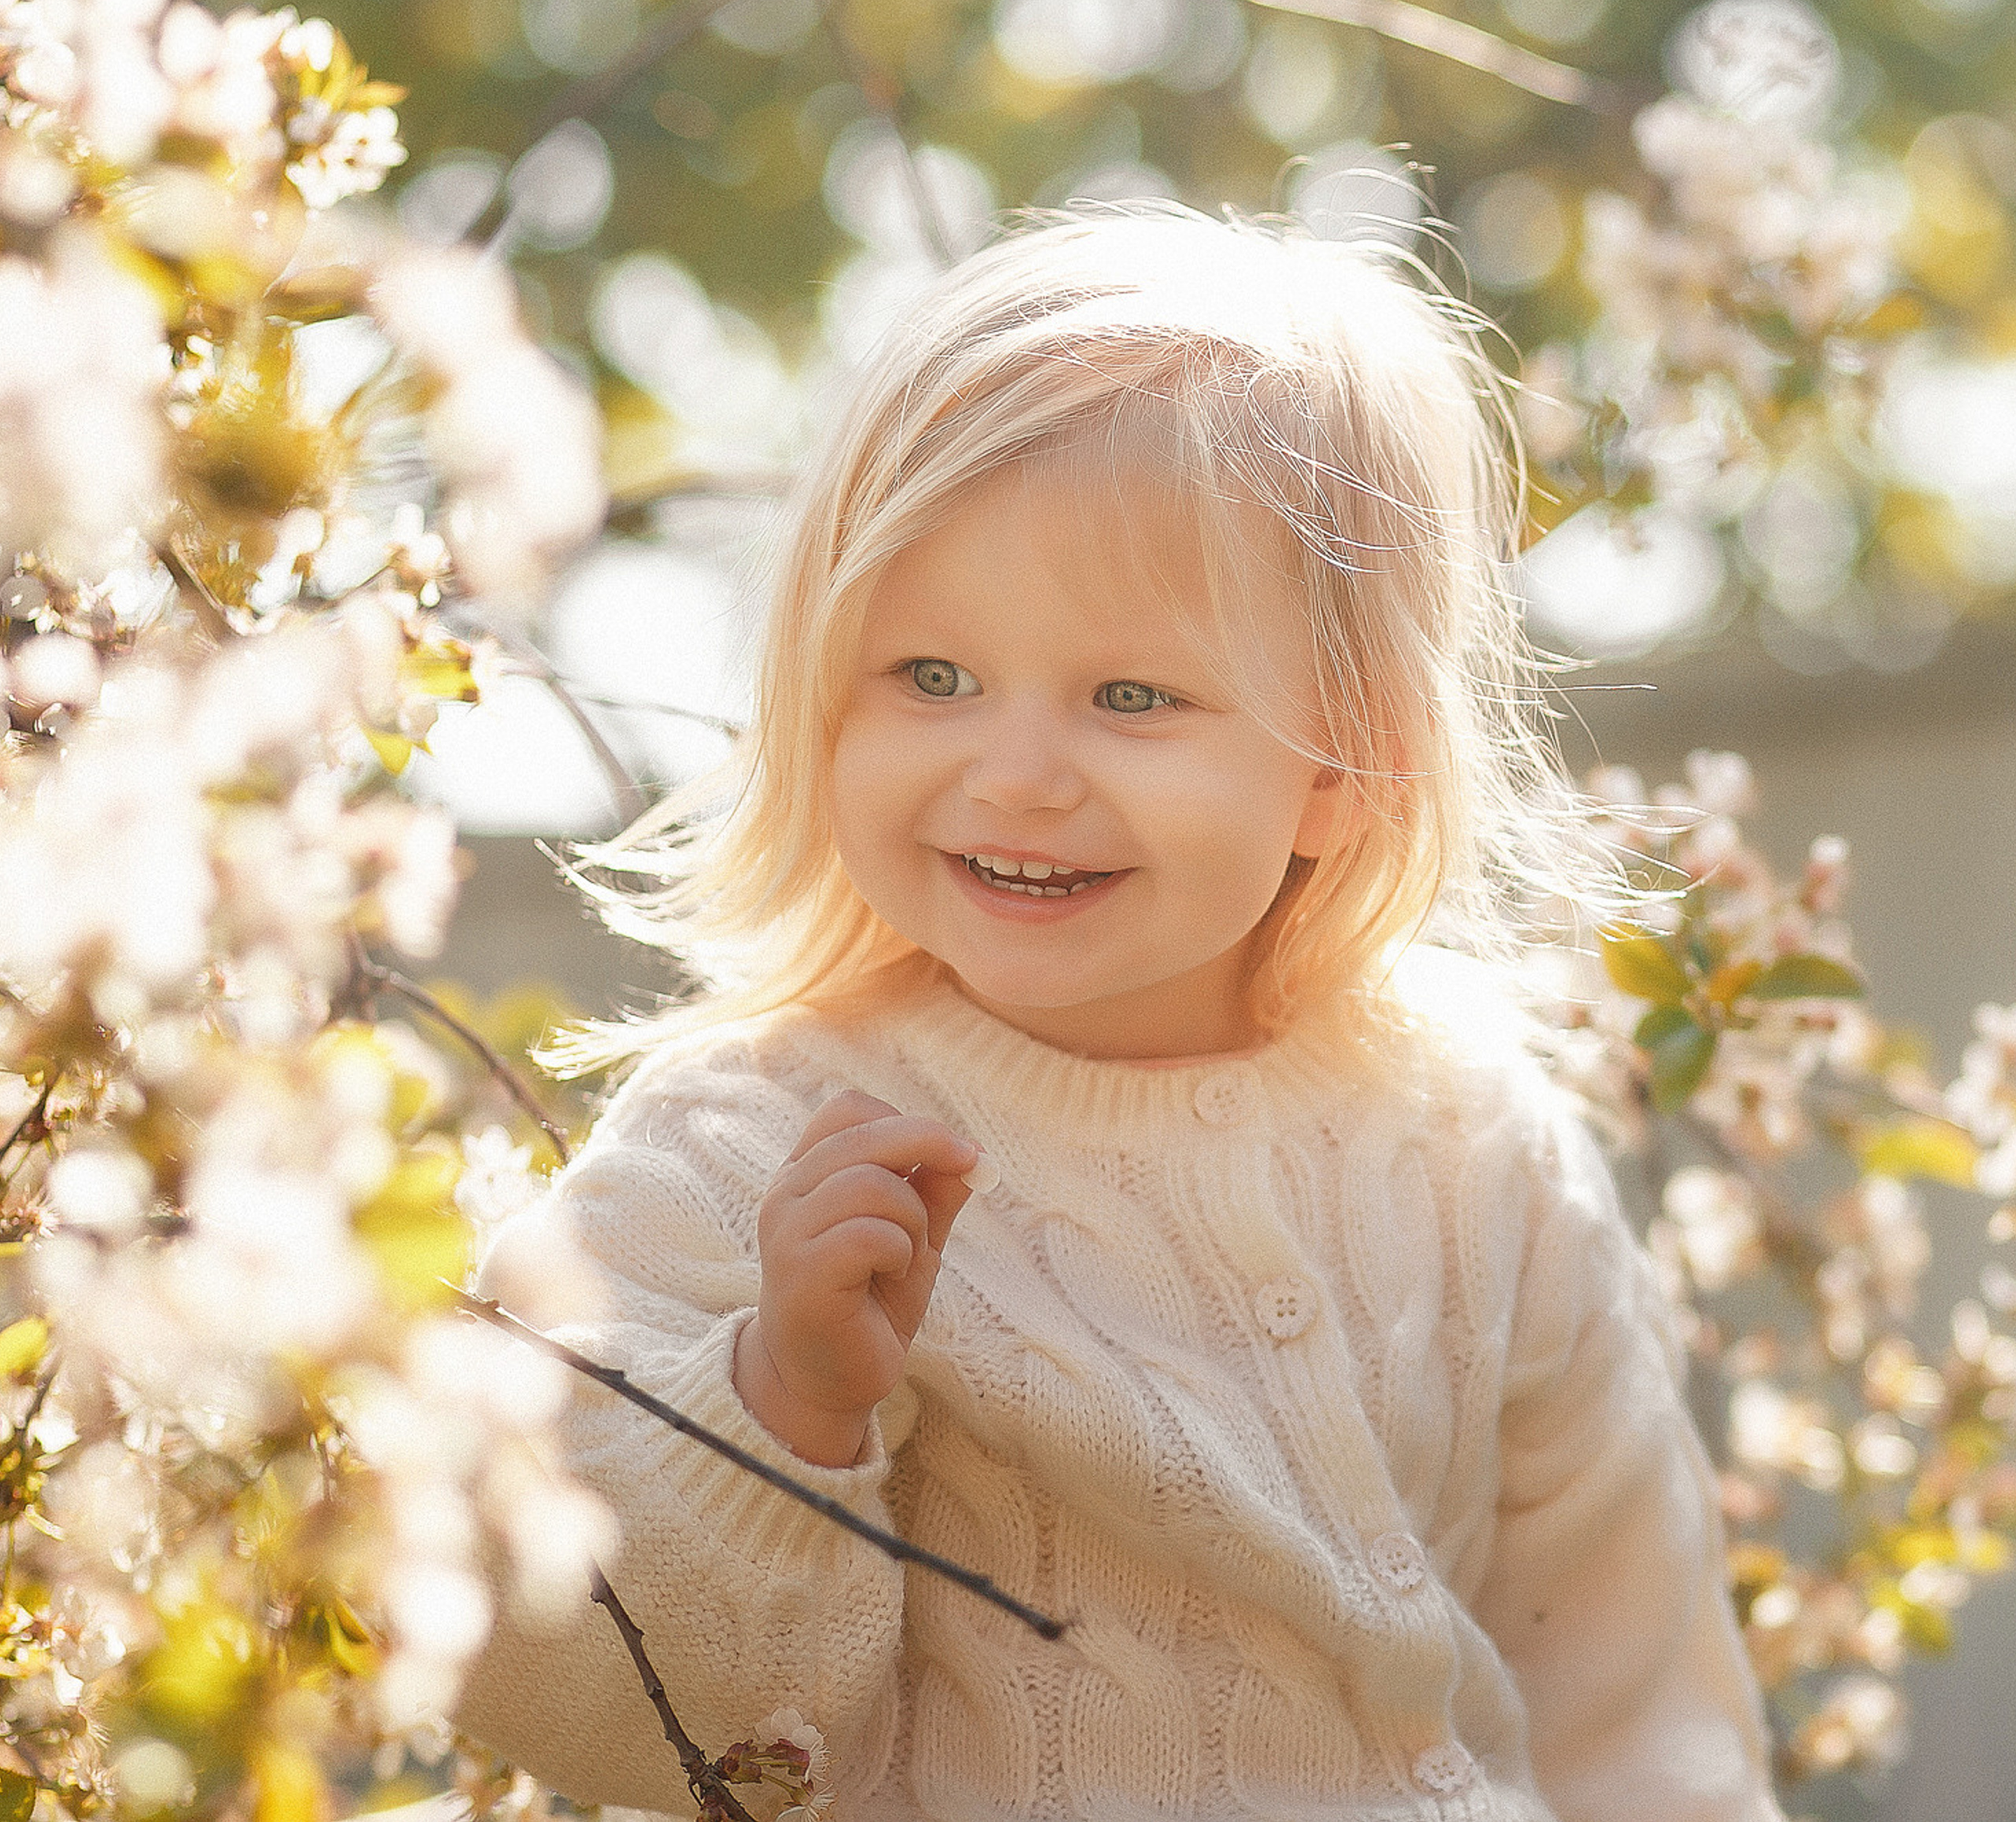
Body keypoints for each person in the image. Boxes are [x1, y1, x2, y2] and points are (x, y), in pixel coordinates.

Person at [454, 206, 1784, 1822]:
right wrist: (784, 1397)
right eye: (929, 676)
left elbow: (1635, 1700)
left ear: (1347, 764)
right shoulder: (753, 1146)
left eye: (1131, 697)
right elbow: (558, 1687)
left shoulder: (1468, 1140)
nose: (1014, 771)